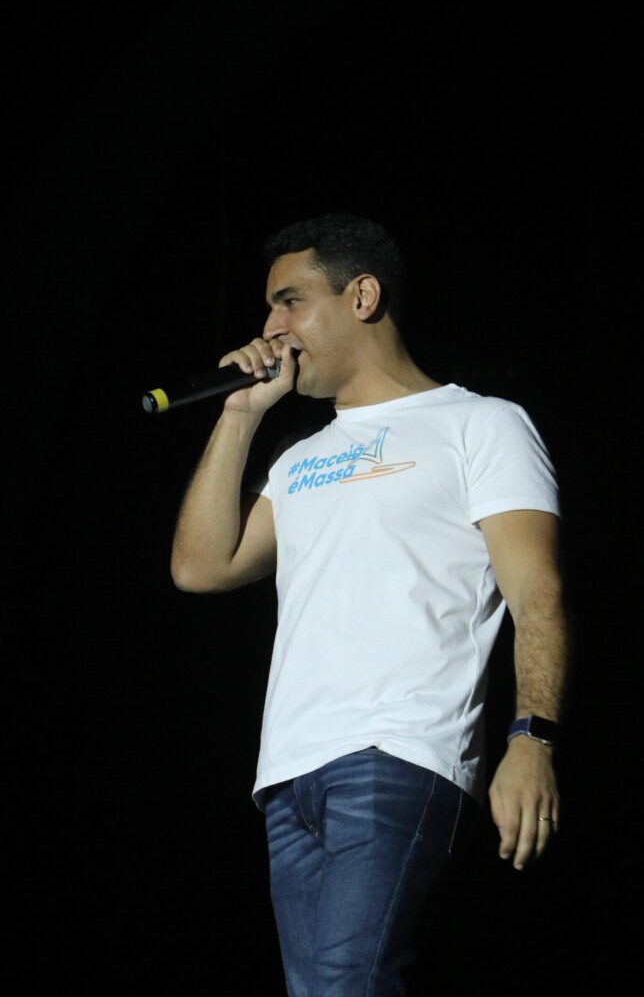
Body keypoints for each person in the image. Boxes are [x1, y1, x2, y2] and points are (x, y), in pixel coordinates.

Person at [170, 213, 568, 996]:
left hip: (398, 751)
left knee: (348, 984)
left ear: (361, 296)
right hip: (288, 775)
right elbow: (200, 566)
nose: (269, 329)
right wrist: (239, 415)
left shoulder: (479, 424)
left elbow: (537, 591)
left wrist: (532, 739)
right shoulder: (299, 457)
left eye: (289, 302)